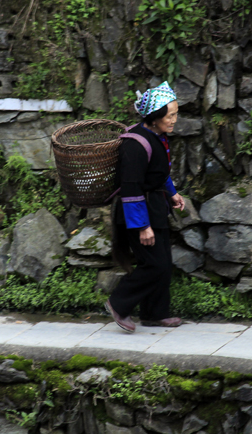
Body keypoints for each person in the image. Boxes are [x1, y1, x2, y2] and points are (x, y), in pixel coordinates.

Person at [105, 81, 186, 333]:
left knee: (164, 262)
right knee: (154, 264)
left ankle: (154, 314)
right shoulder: (135, 144)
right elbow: (131, 187)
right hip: (137, 212)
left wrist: (172, 194)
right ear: (154, 116)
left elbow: (158, 173)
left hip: (155, 206)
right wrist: (142, 226)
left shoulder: (157, 137)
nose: (174, 120)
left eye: (175, 114)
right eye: (170, 115)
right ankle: (118, 304)